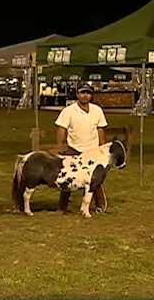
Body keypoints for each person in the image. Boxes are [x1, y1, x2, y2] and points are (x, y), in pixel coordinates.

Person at [50, 84, 108, 214]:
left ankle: (101, 205)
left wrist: (102, 146)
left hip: (92, 150)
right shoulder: (69, 111)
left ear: (91, 95)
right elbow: (61, 128)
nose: (85, 95)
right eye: (82, 93)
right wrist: (59, 145)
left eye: (88, 93)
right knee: (68, 178)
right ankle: (62, 207)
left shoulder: (97, 110)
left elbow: (100, 129)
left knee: (96, 178)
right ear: (77, 94)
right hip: (74, 149)